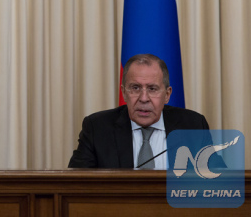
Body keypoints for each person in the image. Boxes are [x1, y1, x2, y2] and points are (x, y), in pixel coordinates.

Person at [68, 54, 220, 169]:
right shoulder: (97, 127)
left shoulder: (193, 125)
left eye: (152, 89)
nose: (144, 98)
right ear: (124, 93)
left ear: (167, 95)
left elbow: (217, 180)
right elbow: (76, 184)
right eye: (135, 88)